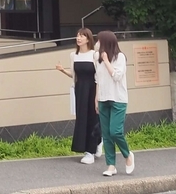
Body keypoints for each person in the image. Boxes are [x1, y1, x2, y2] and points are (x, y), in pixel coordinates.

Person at [55, 28, 103, 164]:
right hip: (80, 90)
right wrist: (63, 70)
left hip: (93, 89)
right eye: (77, 35)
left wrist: (97, 97)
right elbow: (75, 76)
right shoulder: (73, 55)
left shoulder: (94, 55)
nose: (78, 38)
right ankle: (94, 144)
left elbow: (99, 76)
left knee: (93, 118)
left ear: (88, 39)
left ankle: (90, 152)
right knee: (82, 119)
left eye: (82, 36)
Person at [95, 30, 133, 176]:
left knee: (115, 131)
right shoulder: (97, 58)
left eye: (99, 41)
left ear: (106, 42)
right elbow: (97, 78)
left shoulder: (120, 57)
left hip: (118, 99)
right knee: (106, 134)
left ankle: (127, 154)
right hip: (103, 99)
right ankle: (111, 165)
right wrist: (96, 98)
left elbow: (117, 76)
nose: (97, 44)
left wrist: (106, 61)